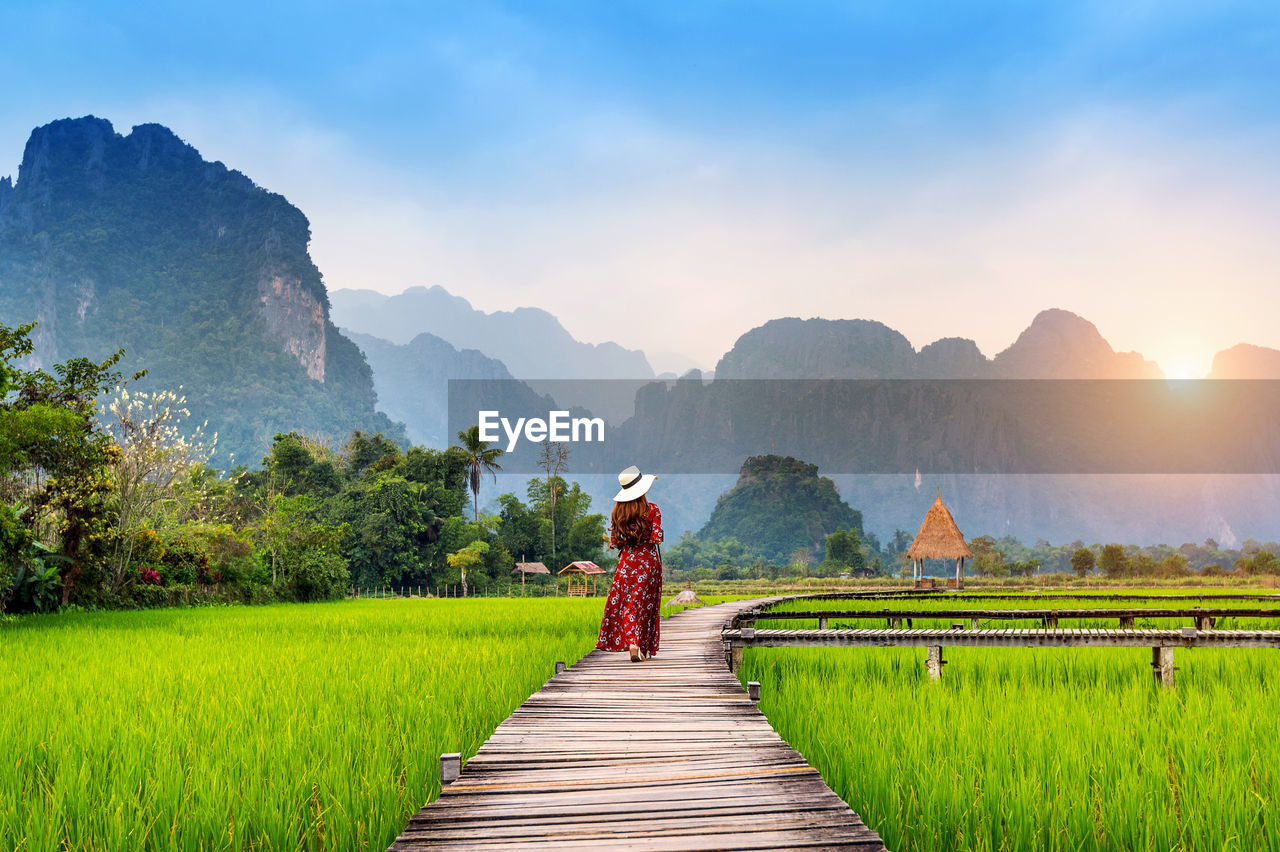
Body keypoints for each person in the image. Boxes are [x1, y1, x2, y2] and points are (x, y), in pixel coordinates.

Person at [596, 464, 664, 663]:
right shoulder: (653, 510)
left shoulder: (618, 513)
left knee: (628, 604)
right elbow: (656, 538)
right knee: (646, 604)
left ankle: (634, 645)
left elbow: (615, 543)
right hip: (648, 563)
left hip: (626, 564)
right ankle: (639, 646)